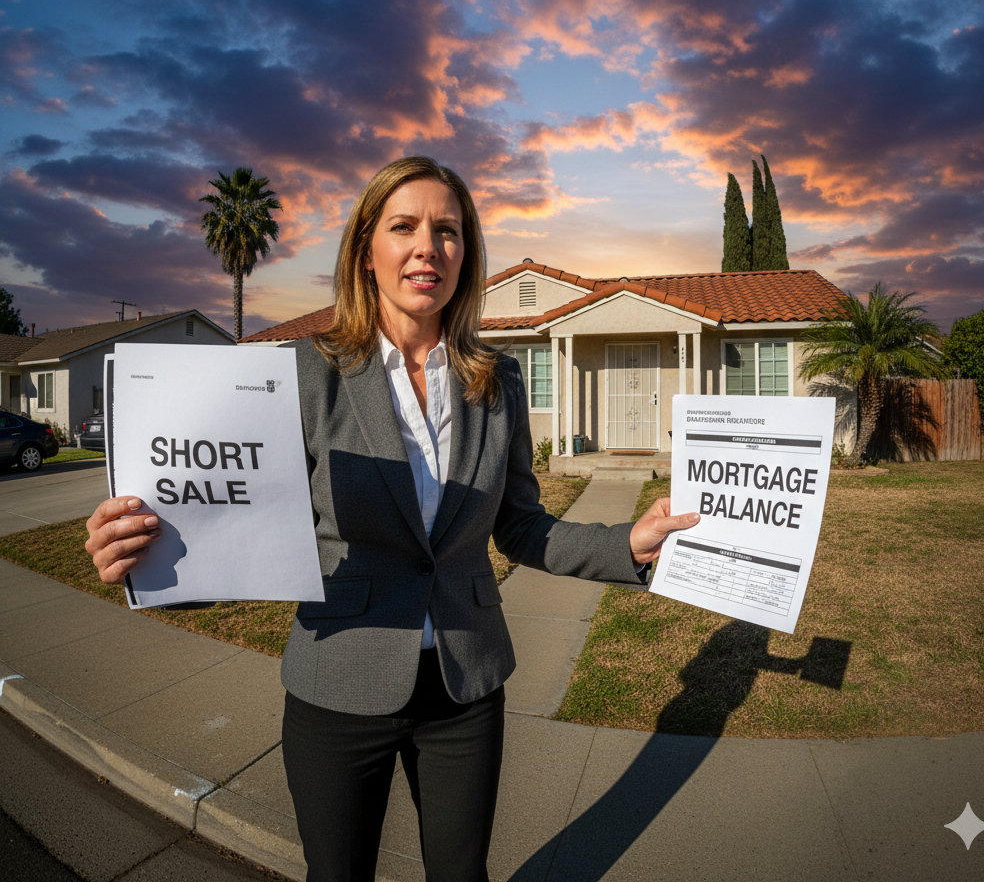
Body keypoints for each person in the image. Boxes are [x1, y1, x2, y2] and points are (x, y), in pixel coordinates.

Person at [85, 155, 701, 882]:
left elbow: (523, 526)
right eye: (403, 226)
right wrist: (147, 557)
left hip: (466, 687)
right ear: (366, 249)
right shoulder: (303, 375)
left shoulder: (496, 381)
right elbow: (248, 521)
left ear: (465, 255)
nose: (426, 247)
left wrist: (629, 542)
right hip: (338, 681)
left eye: (447, 230)